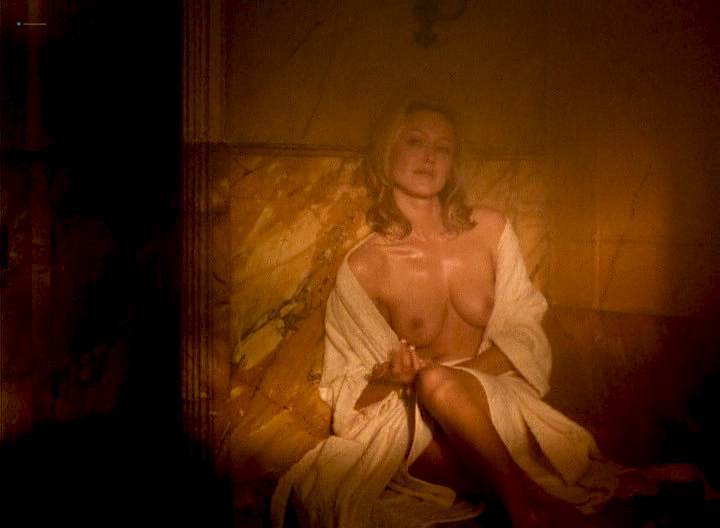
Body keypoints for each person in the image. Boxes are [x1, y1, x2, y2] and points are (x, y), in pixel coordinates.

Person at [271, 100, 713, 528]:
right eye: (415, 142)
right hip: (412, 420)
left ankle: (529, 509)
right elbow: (348, 387)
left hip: (496, 398)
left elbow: (525, 327)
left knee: (437, 380)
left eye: (443, 148)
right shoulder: (365, 266)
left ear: (454, 163)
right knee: (429, 404)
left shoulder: (491, 231)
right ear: (386, 154)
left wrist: (449, 380)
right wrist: (391, 378)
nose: (429, 157)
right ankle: (540, 505)